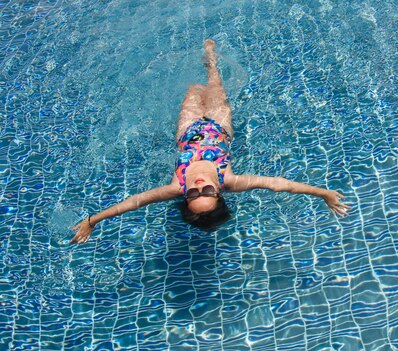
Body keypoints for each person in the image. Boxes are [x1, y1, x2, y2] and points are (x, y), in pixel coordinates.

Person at [70, 40, 351, 244]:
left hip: (188, 129)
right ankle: (212, 58)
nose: (197, 188)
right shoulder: (229, 179)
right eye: (206, 193)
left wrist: (92, 221)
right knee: (214, 85)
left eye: (193, 196)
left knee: (194, 90)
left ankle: (207, 61)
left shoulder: (175, 186)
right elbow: (281, 185)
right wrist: (323, 193)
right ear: (218, 194)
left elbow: (133, 203)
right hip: (219, 125)